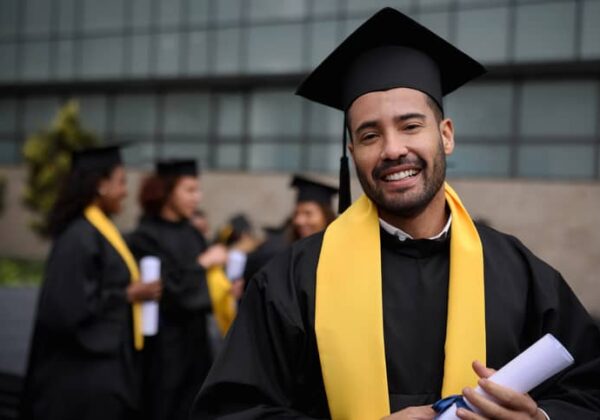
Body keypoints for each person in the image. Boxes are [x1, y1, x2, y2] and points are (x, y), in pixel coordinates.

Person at [192, 8, 600, 420]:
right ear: (353, 152)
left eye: (410, 126)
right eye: (370, 135)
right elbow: (229, 411)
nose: (392, 149)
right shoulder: (293, 281)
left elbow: (589, 389)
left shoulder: (519, 273)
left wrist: (539, 418)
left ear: (446, 135)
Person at [21, 145, 161, 420]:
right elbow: (65, 310)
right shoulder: (80, 237)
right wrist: (127, 295)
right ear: (101, 185)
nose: (125, 191)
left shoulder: (100, 230)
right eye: (121, 181)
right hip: (80, 381)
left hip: (103, 371)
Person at [126, 159, 231, 420]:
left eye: (198, 190)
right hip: (163, 351)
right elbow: (171, 291)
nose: (197, 197)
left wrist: (228, 291)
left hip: (196, 347)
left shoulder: (192, 233)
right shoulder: (144, 236)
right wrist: (204, 262)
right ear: (166, 190)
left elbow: (204, 290)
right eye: (189, 190)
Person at [290, 175, 338, 241]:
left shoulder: (341, 247)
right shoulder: (286, 248)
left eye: (308, 213)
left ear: (326, 216)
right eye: (296, 214)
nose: (299, 221)